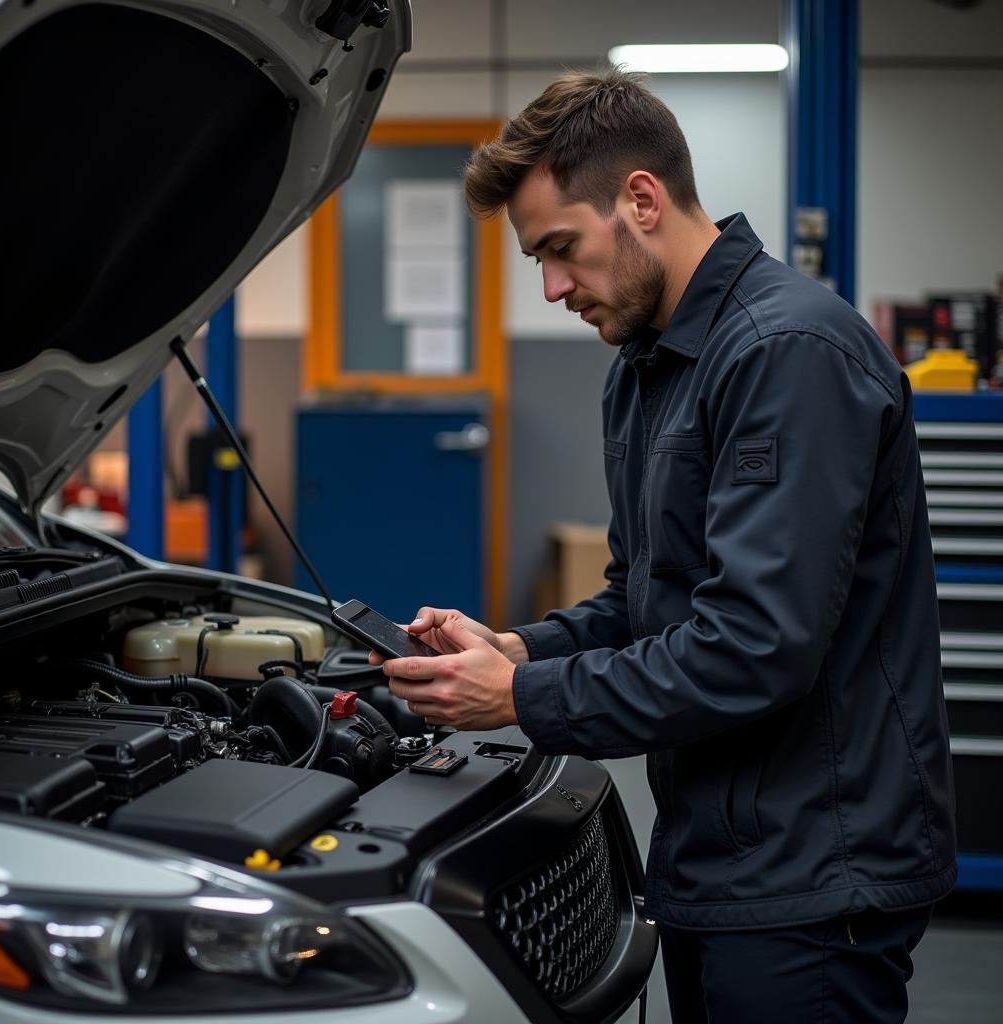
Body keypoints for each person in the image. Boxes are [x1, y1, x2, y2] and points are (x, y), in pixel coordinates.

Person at [370, 69, 956, 1023]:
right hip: (716, 851)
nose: (554, 287)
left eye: (561, 249)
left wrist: (519, 699)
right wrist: (519, 651)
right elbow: (649, 599)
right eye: (538, 263)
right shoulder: (646, 369)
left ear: (640, 199)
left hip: (813, 869)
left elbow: (753, 645)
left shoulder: (787, 352)